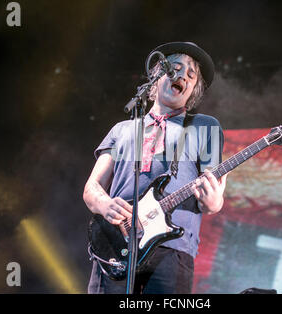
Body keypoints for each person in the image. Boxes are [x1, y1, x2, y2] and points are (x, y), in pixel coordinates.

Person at [83, 42, 227, 294]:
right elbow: (92, 188)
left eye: (191, 75)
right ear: (157, 74)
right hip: (115, 245)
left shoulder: (204, 127)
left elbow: (212, 195)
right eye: (176, 68)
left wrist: (214, 202)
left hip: (172, 247)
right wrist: (105, 206)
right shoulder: (122, 130)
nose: (182, 75)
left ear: (192, 89)